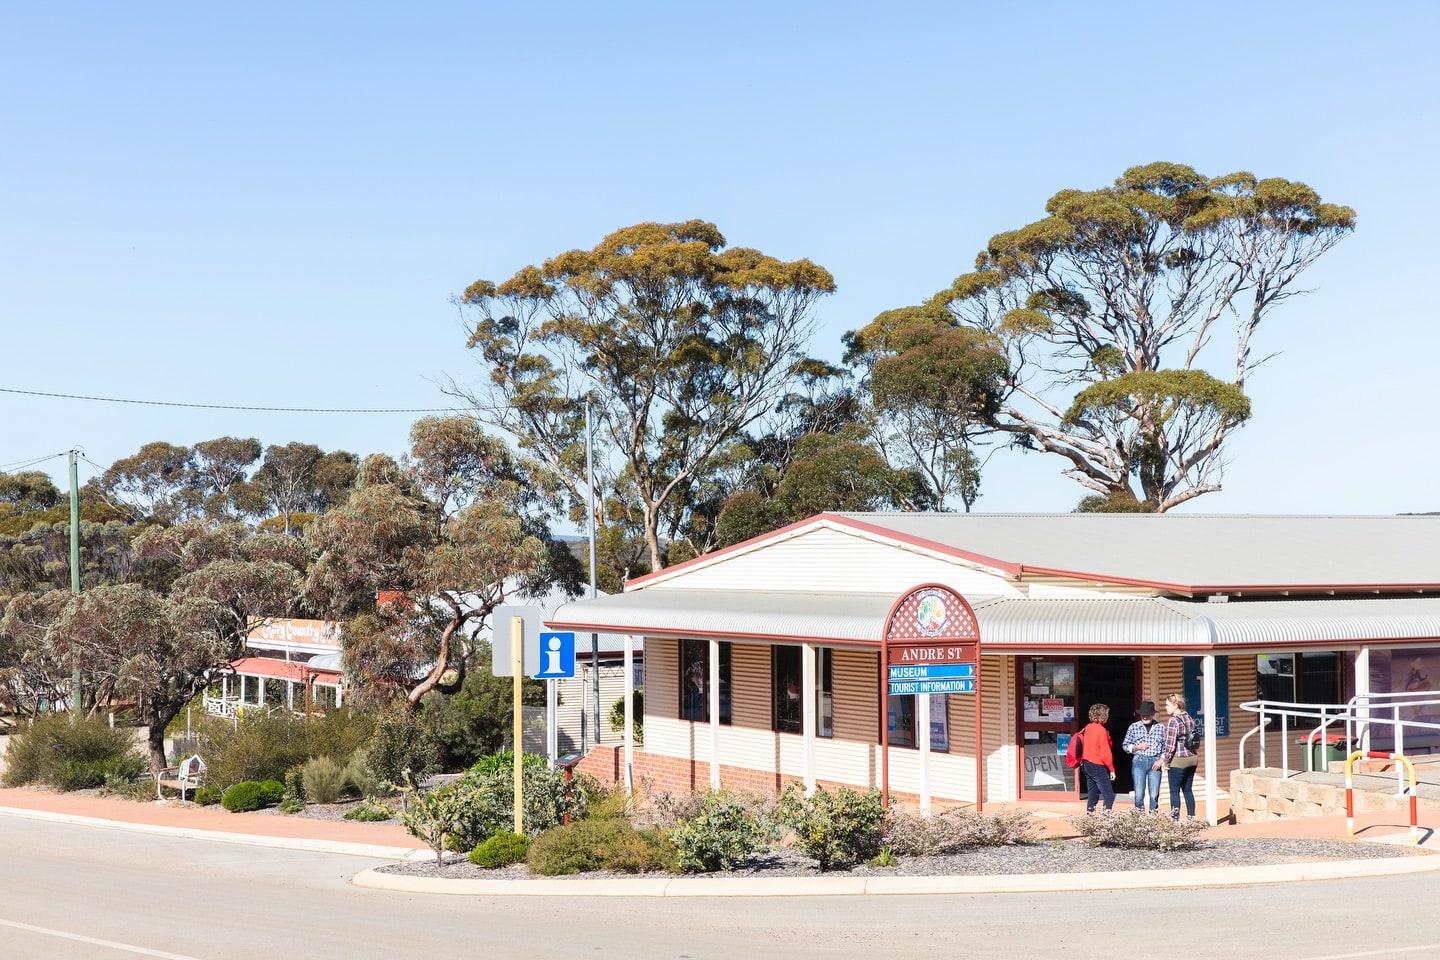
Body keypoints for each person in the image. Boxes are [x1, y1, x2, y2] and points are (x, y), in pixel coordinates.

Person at [1121, 700, 1166, 812]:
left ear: (1153, 714)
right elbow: (1125, 745)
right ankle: (1139, 818)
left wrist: (1161, 760)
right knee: (1139, 792)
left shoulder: (1160, 727)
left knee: (1154, 793)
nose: (1145, 717)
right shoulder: (1133, 727)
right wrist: (1137, 747)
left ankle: (1153, 816)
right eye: (1143, 715)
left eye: (1147, 715)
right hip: (1139, 761)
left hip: (1155, 761)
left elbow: (1167, 747)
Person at [1161, 693, 1199, 820]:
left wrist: (1165, 762)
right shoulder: (1189, 717)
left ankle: (1175, 819)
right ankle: (1191, 817)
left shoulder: (1173, 721)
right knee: (1188, 790)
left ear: (1175, 705)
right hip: (1192, 757)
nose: (1165, 707)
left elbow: (1170, 746)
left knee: (1174, 791)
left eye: (1167, 705)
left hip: (1179, 759)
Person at [1078, 703, 1115, 813]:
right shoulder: (1101, 730)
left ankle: (1090, 817)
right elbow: (1105, 752)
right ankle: (1106, 819)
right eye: (1107, 714)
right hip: (1097, 765)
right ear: (1103, 715)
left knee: (1092, 793)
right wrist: (1112, 769)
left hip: (1086, 764)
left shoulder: (1087, 727)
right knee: (1109, 795)